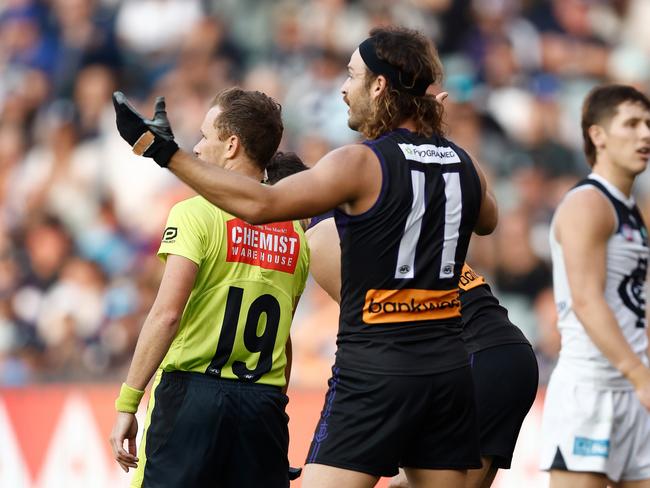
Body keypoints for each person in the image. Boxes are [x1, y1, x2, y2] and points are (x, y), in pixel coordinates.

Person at [113, 26, 498, 488]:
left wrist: (162, 151)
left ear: (379, 86)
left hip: (376, 368)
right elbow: (488, 219)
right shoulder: (460, 161)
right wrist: (436, 135)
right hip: (445, 369)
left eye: (352, 75)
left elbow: (261, 205)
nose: (343, 87)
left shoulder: (358, 163)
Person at [108, 87, 310, 488]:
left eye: (206, 136)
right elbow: (283, 340)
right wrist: (272, 411)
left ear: (232, 145)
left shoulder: (194, 213)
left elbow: (167, 314)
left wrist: (128, 401)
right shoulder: (296, 232)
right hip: (263, 404)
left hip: (192, 397)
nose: (197, 148)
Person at [305, 214, 538, 488]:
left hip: (470, 355)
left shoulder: (325, 231)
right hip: (506, 351)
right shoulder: (398, 213)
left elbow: (373, 342)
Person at [540, 84, 650, 488]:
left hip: (632, 391)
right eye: (632, 124)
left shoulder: (631, 210)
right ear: (597, 135)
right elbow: (587, 302)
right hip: (590, 391)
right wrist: (640, 376)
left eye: (649, 125)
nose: (646, 135)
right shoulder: (587, 203)